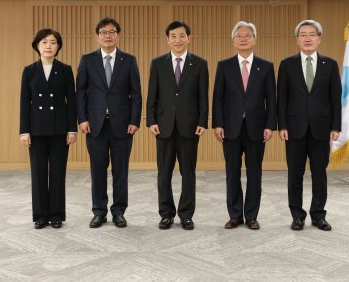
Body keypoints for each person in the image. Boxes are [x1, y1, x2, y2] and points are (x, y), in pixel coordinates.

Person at [76, 17, 142, 229]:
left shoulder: (129, 60)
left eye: (111, 32)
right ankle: (99, 212)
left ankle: (119, 212)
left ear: (118, 35)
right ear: (97, 37)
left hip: (122, 126)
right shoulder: (87, 60)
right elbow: (81, 92)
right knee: (97, 170)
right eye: (103, 32)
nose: (107, 36)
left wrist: (134, 120)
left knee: (120, 170)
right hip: (95, 125)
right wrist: (83, 118)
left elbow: (136, 94)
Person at [277, 19, 342, 231]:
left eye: (312, 34)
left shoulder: (330, 65)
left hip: (321, 129)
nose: (307, 38)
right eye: (303, 35)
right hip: (294, 128)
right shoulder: (287, 65)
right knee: (294, 174)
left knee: (319, 174)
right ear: (297, 40)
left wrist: (336, 126)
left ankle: (318, 215)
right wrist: (282, 125)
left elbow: (335, 98)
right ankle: (297, 216)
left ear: (319, 38)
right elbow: (282, 98)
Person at [212, 21, 276, 230]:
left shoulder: (266, 66)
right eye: (239, 36)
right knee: (232, 172)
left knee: (254, 172)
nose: (243, 38)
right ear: (233, 41)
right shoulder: (224, 66)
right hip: (230, 127)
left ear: (254, 40)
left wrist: (270, 125)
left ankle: (251, 216)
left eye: (247, 35)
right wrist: (218, 124)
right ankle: (234, 215)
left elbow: (271, 99)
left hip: (257, 128)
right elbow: (218, 98)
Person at [146, 21, 208, 230]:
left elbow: (203, 96)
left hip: (190, 126)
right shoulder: (157, 63)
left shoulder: (199, 64)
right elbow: (151, 94)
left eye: (182, 36)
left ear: (188, 38)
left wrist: (202, 121)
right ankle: (166, 214)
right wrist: (151, 120)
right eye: (173, 36)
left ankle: (186, 214)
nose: (178, 40)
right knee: (164, 173)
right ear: (168, 39)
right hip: (163, 126)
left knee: (188, 173)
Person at [20, 28, 77, 229]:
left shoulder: (66, 70)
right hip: (36, 130)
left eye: (53, 42)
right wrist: (24, 131)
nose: (48, 46)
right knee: (38, 174)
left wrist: (72, 129)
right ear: (37, 45)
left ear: (58, 46)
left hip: (60, 129)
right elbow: (24, 102)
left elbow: (72, 101)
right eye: (44, 42)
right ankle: (40, 216)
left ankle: (56, 215)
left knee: (58, 173)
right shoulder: (29, 71)